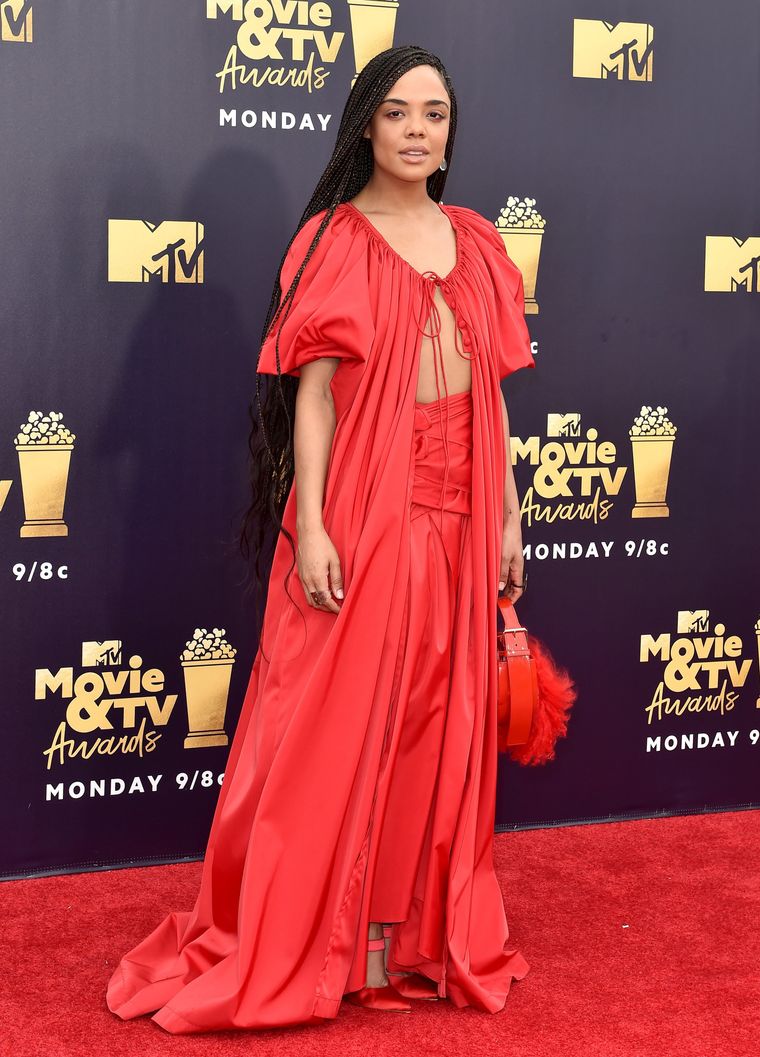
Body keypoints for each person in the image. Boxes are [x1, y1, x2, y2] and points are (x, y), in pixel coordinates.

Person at [106, 43, 535, 1033]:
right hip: (365, 508)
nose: (418, 130)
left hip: (462, 515)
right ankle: (306, 939)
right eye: (397, 113)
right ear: (365, 129)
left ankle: (393, 947)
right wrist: (311, 524)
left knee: (434, 729)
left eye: (434, 113)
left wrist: (511, 511)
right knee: (327, 735)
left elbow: (492, 397)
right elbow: (313, 401)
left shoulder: (474, 241)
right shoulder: (333, 241)